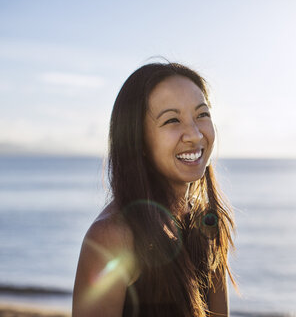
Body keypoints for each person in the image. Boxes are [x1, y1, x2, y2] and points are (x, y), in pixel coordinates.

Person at [72, 62, 235, 317]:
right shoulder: (113, 236)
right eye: (172, 120)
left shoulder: (205, 222)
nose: (194, 134)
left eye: (202, 115)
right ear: (138, 139)